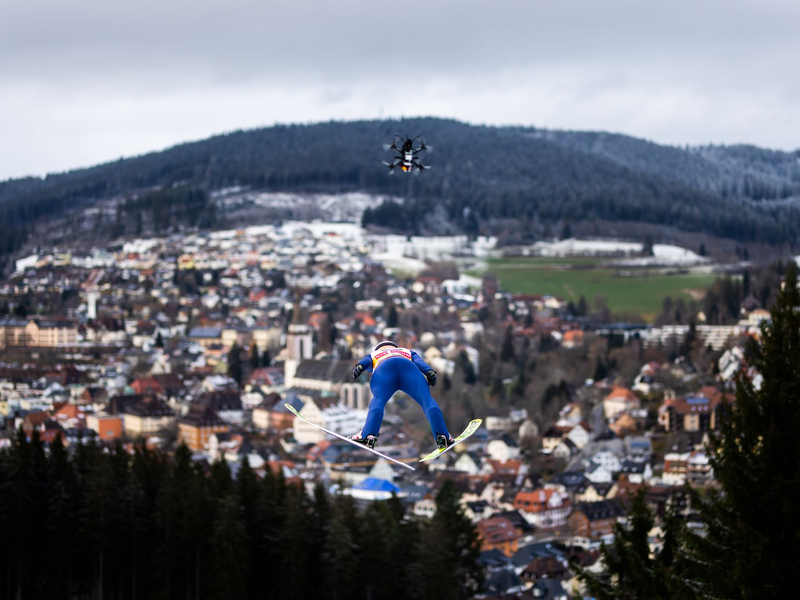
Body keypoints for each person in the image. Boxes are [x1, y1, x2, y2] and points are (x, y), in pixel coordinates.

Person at [350, 340, 454, 450]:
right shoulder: (406, 351)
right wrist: (429, 371)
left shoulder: (374, 354)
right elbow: (420, 362)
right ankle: (442, 436)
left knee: (378, 400)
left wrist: (359, 367)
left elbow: (364, 362)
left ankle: (368, 436)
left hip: (384, 368)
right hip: (408, 368)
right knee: (427, 400)